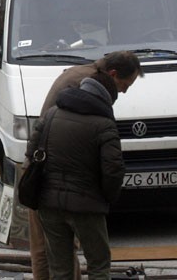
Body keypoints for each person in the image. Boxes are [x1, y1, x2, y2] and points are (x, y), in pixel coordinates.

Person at [28, 51, 142, 280]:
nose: (124, 92)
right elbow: (112, 170)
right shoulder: (104, 124)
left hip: (49, 200)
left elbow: (32, 151)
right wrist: (105, 199)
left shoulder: (52, 114)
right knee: (99, 266)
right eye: (123, 86)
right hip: (86, 205)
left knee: (59, 268)